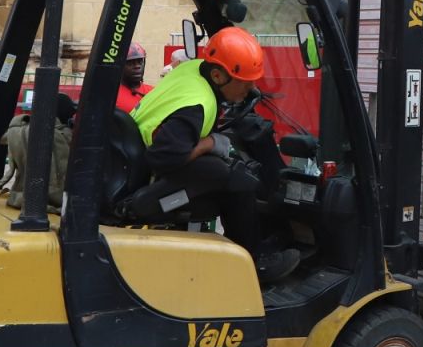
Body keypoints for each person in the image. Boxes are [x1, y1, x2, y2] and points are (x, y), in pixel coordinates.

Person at [120, 26, 300, 284]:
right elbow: (165, 158)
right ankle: (255, 265)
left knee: (223, 178)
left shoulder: (191, 70)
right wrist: (209, 144)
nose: (250, 90)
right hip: (145, 181)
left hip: (132, 159)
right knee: (234, 178)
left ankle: (247, 251)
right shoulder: (198, 105)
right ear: (218, 75)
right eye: (245, 83)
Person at [115, 43, 153, 113]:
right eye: (130, 63)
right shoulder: (112, 95)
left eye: (140, 62)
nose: (137, 66)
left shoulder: (152, 91)